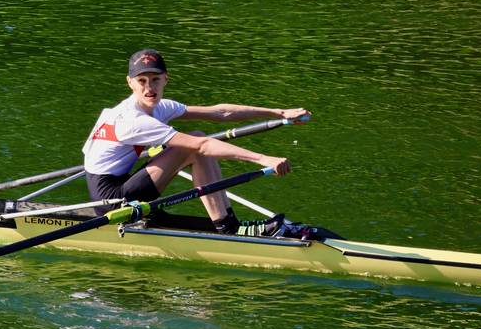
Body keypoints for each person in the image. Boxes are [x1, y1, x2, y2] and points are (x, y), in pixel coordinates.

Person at [81, 49, 310, 235]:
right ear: (130, 82)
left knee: (196, 138)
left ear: (166, 79)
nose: (149, 88)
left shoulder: (160, 107)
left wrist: (279, 112)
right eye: (142, 81)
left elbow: (220, 112)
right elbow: (201, 146)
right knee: (195, 145)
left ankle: (227, 222)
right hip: (111, 200)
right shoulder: (132, 119)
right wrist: (263, 159)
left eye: (155, 80)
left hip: (122, 181)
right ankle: (227, 227)